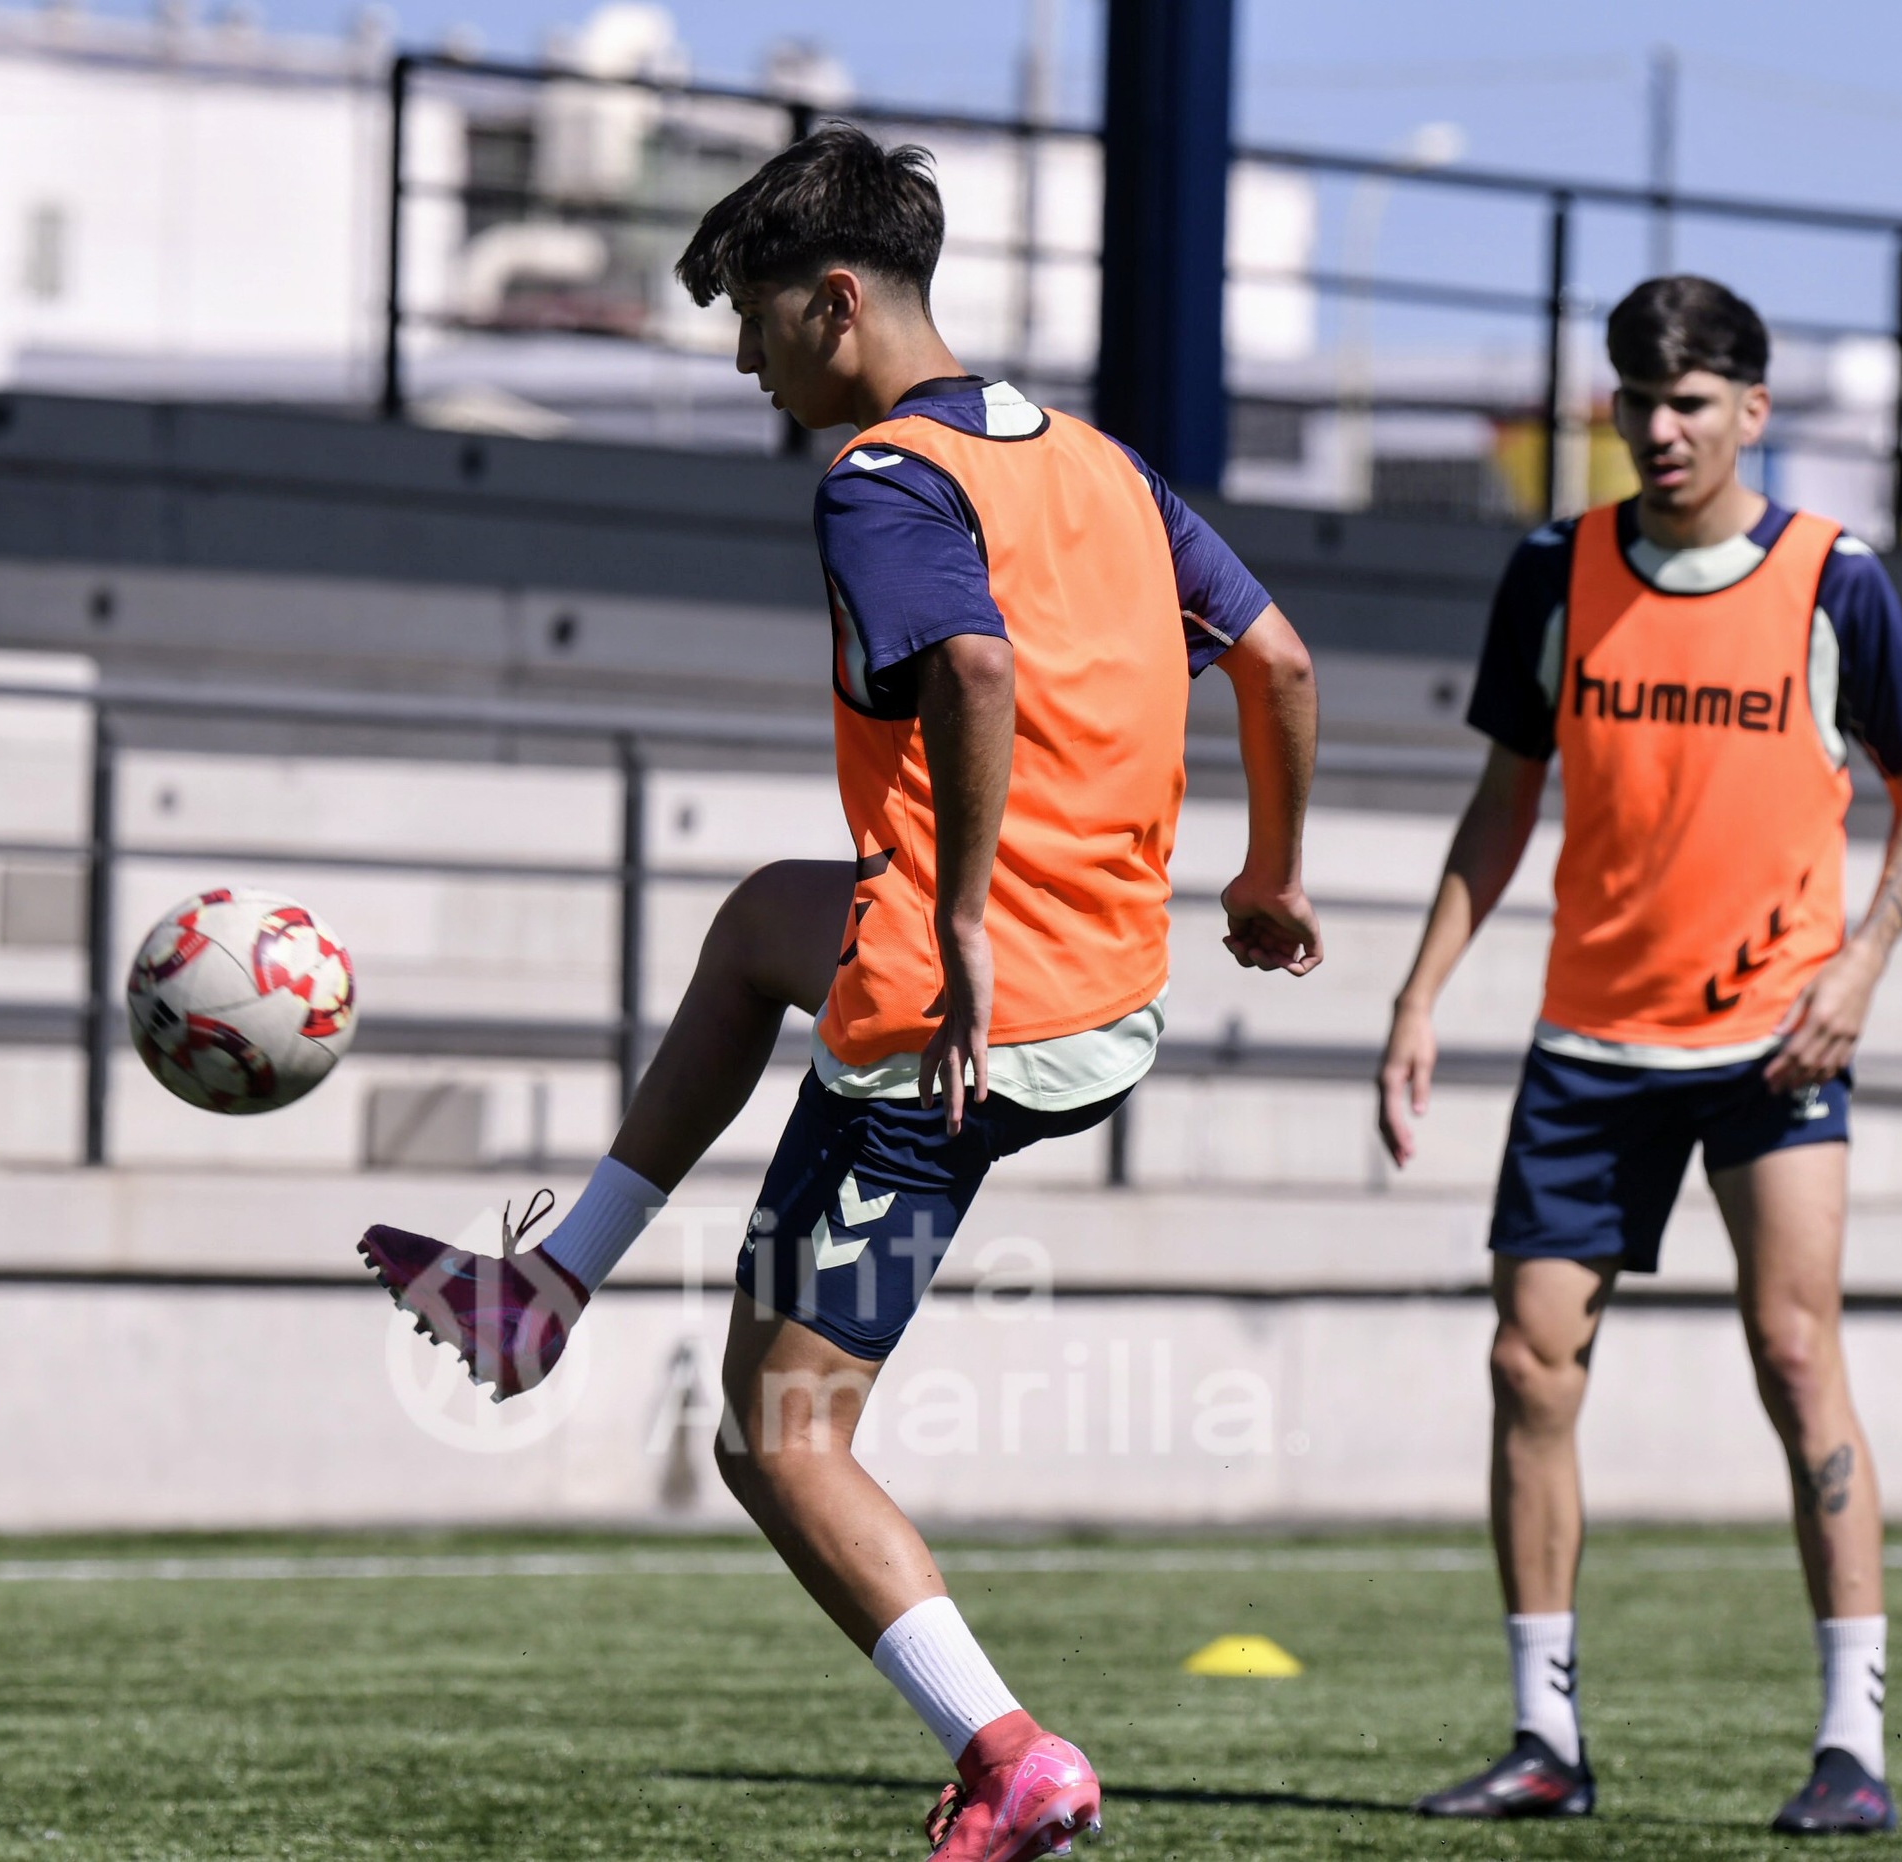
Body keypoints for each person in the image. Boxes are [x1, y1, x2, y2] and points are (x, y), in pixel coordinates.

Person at [358, 124, 1322, 1862]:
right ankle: (546, 1288)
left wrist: (960, 926)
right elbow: (1280, 657)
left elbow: (974, 669)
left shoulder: (884, 480)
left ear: (835, 300)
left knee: (777, 1433)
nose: (747, 362)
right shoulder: (1099, 465)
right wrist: (1271, 875)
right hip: (1109, 982)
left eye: (751, 320)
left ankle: (1013, 1757)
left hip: (969, 1015)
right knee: (757, 924)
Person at [1376, 275, 1902, 1835]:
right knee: (1528, 1362)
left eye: (1690, 401)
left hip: (1776, 1043)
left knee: (1795, 1355)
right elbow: (1504, 800)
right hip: (1588, 1042)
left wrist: (1861, 965)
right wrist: (1421, 994)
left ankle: (1851, 1744)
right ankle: (1544, 1737)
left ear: (1752, 411)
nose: (1661, 428)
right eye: (1638, 400)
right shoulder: (1552, 569)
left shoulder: (1837, 580)